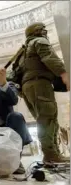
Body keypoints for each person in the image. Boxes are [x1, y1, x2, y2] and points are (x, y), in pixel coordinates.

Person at [21, 22, 70, 163]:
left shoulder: (22, 52)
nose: (46, 33)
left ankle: (52, 154)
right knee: (48, 119)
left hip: (27, 88)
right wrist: (63, 73)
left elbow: (14, 75)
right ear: (39, 31)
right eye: (44, 30)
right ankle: (51, 155)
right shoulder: (39, 41)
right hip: (40, 84)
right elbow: (49, 57)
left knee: (43, 119)